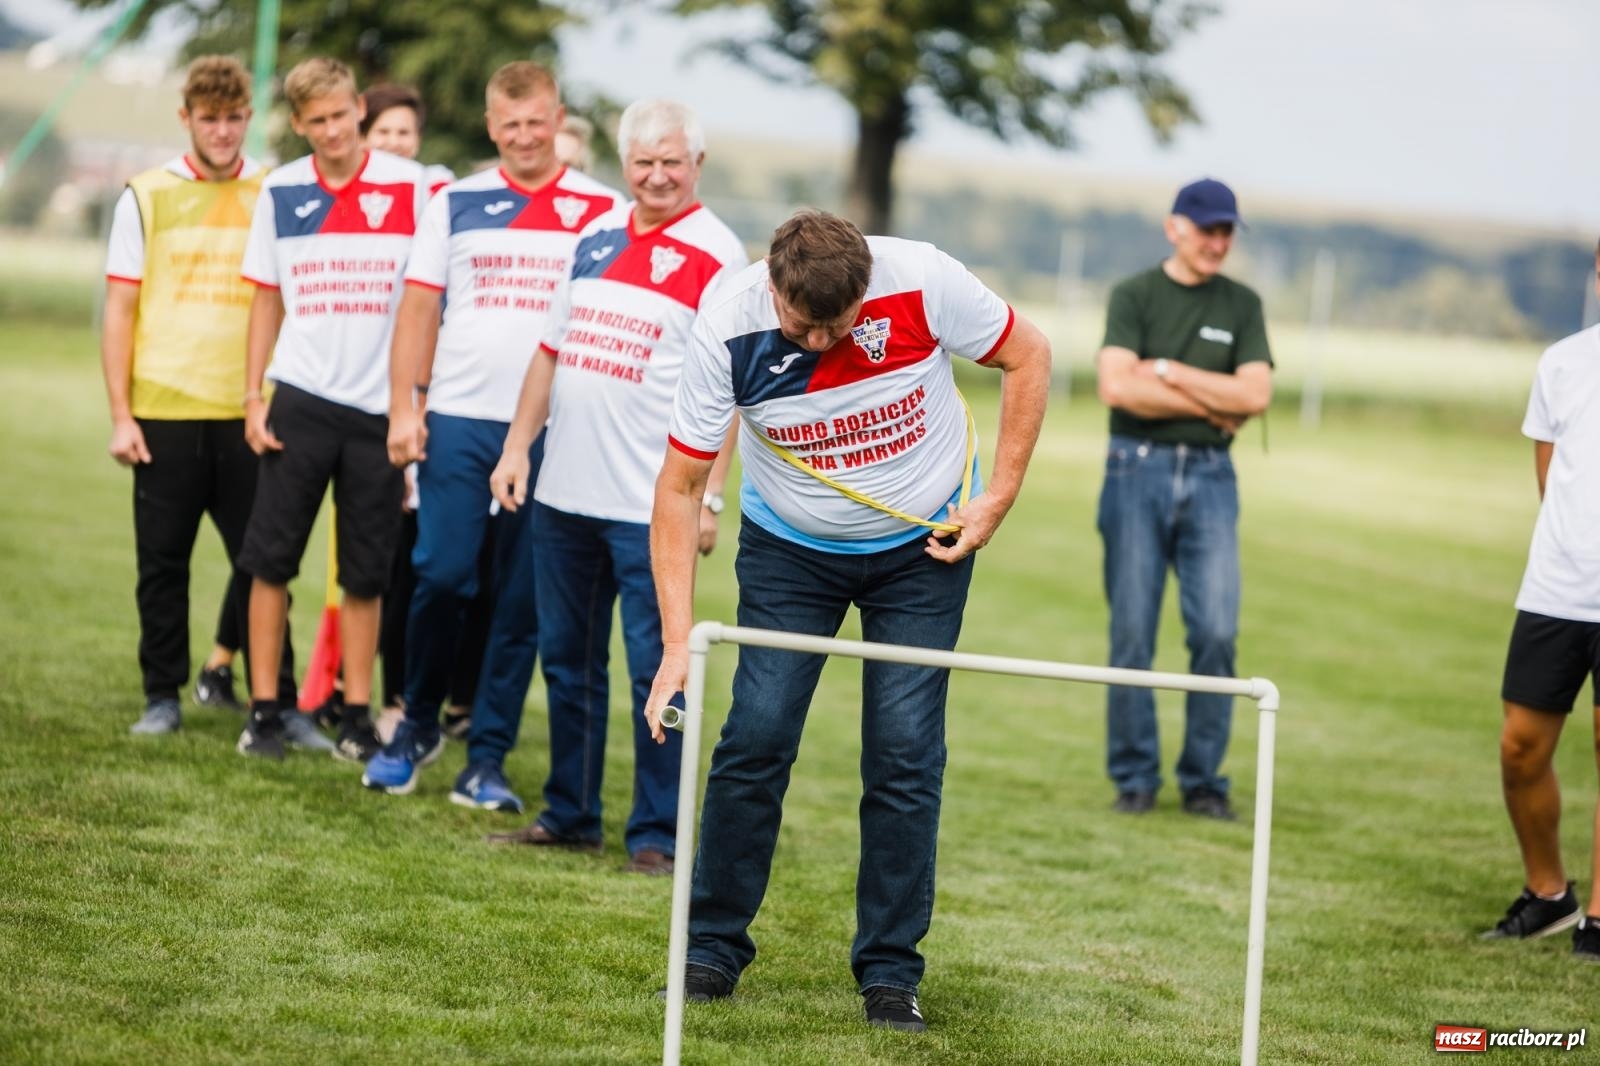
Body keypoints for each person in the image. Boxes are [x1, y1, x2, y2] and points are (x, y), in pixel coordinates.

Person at [643, 210, 1051, 1031]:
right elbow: (679, 491)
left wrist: (997, 495)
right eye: (804, 324)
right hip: (789, 551)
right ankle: (710, 952)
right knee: (755, 737)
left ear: (867, 285)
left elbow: (1028, 353)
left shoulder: (924, 278)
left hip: (922, 551)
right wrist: (675, 646)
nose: (823, 339)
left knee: (905, 754)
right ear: (774, 285)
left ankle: (891, 974)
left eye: (841, 323)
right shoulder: (728, 325)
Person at [481, 98, 744, 875]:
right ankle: (571, 813)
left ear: (697, 164)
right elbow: (549, 351)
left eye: (671, 161)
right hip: (564, 495)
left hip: (651, 507)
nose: (656, 175)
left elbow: (730, 393)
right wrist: (517, 447)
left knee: (657, 668)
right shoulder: (593, 237)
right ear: (624, 164)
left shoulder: (719, 256)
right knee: (566, 662)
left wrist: (711, 498)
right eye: (643, 161)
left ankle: (657, 836)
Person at [359, 61, 620, 805]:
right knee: (441, 574)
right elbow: (417, 308)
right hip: (460, 417)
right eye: (509, 125)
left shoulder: (599, 208)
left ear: (557, 116)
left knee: (520, 600)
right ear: (489, 126)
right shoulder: (455, 201)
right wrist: (404, 409)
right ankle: (414, 724)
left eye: (536, 122)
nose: (524, 137)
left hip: (554, 428)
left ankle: (489, 759)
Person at [234, 56, 427, 761]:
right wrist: (253, 395)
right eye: (316, 121)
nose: (332, 131)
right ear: (298, 124)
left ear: (359, 112)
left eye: (342, 116)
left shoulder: (415, 187)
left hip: (380, 410)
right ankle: (263, 711)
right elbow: (265, 299)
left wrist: (417, 401)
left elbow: (427, 301)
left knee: (366, 574)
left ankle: (353, 712)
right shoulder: (281, 190)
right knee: (270, 560)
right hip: (302, 401)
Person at [101, 55, 298, 736]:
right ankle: (163, 696)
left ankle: (282, 699)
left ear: (250, 116)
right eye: (209, 118)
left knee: (266, 562)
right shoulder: (145, 194)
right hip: (163, 412)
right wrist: (121, 414)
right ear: (187, 117)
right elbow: (119, 310)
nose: (222, 131)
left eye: (234, 117)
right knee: (162, 565)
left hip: (252, 410)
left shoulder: (275, 191)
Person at [1094, 177, 1273, 822]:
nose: (1218, 242)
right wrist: (1210, 397)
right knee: (1133, 631)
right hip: (1134, 470)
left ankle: (1203, 782)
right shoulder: (1134, 295)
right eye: (1208, 230)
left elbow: (1254, 397)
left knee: (1217, 632)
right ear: (1176, 227)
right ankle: (1135, 778)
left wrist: (1165, 370)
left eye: (1227, 231)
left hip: (1211, 478)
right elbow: (1118, 388)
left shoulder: (1243, 305)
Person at [1481, 240, 1600, 962]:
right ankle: (1549, 893)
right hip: (1557, 590)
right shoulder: (1562, 361)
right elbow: (1549, 479)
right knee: (1521, 749)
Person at [352, 82, 478, 744]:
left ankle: (438, 701)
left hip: (426, 406)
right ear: (362, 139)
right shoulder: (361, 206)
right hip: (363, 406)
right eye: (384, 133)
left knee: (431, 562)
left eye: (406, 132)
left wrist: (420, 401)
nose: (396, 144)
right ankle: (382, 697)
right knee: (385, 566)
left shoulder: (441, 202)